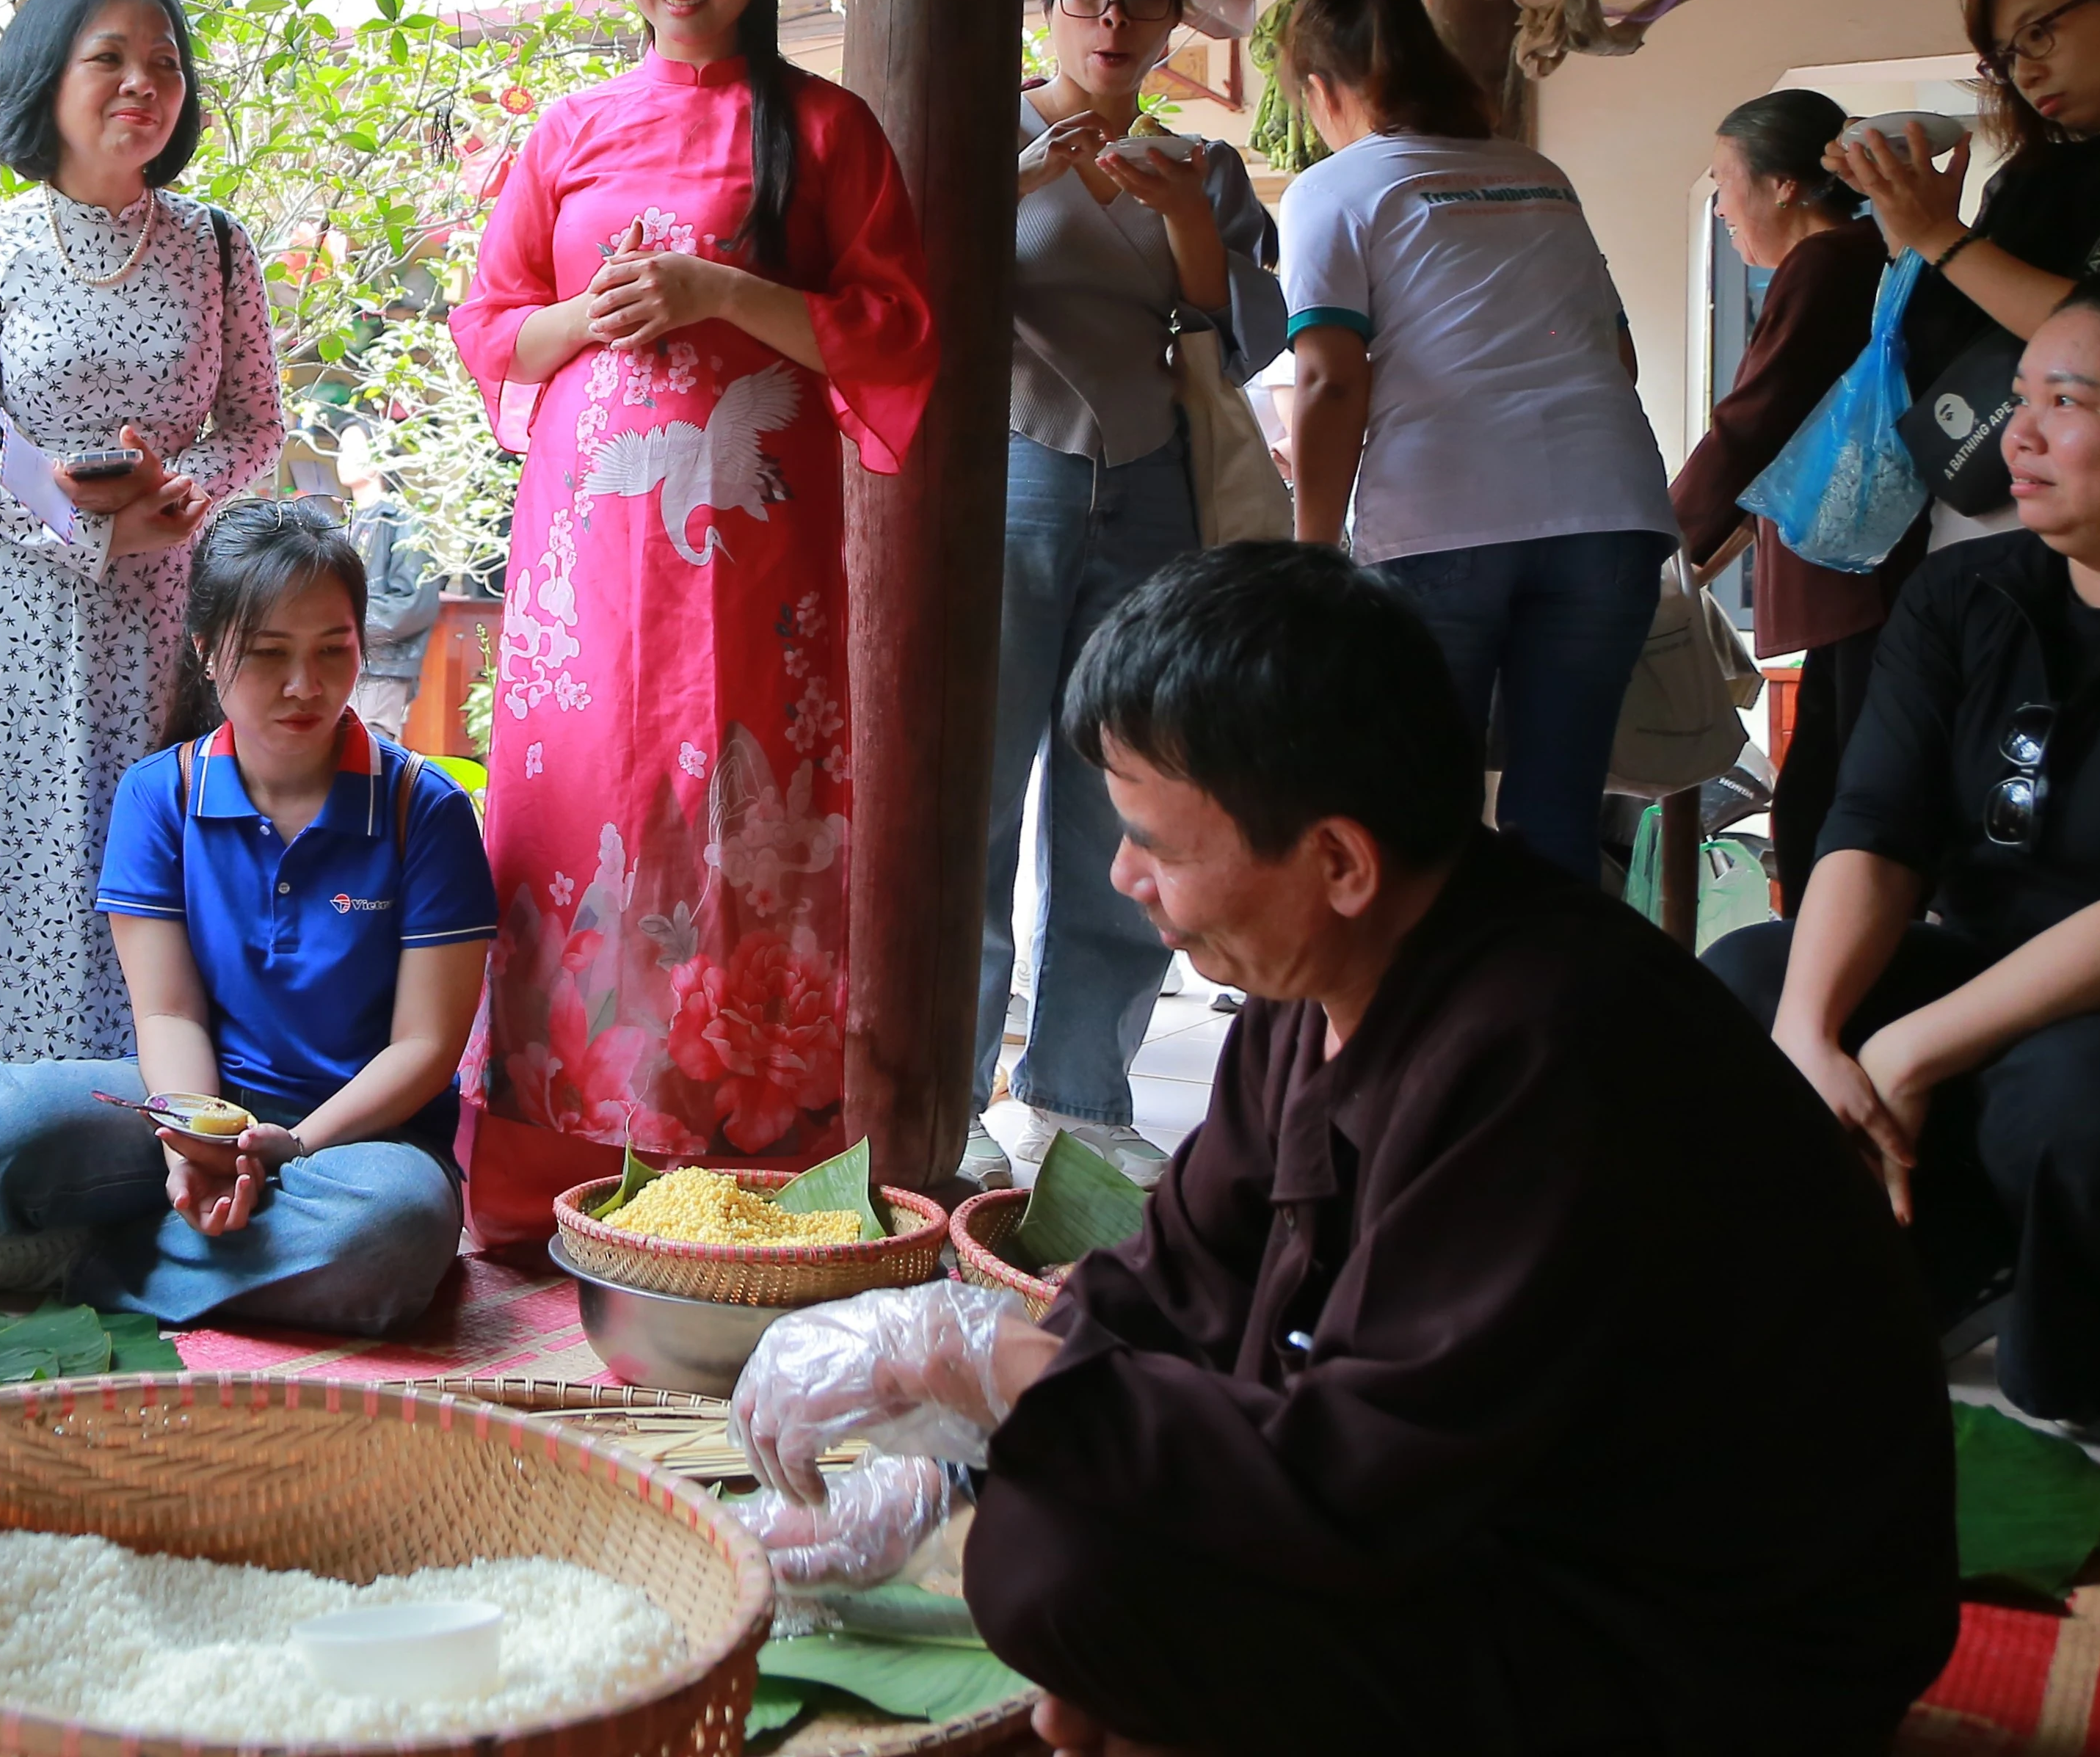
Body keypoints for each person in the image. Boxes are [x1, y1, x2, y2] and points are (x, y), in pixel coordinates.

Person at [730, 542, 1958, 1757]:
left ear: (1338, 860)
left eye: (1154, 839)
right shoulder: (1313, 994)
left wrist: (987, 1363)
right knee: (1061, 1502)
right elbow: (1176, 1285)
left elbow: (1357, 1476)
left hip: (1712, 1643)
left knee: (1063, 1565)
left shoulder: (1547, 1051)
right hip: (1493, 1516)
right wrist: (961, 1447)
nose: (1121, 875)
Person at [448, 0, 934, 1245]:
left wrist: (724, 296)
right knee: (574, 828)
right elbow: (486, 326)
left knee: (743, 824)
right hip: (585, 569)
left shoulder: (826, 131)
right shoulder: (565, 128)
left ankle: (750, 1191)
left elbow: (892, 328)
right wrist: (575, 321)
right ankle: (547, 1181)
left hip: (756, 559)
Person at [0, 501, 493, 1334]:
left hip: (359, 1144)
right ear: (204, 651)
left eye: (333, 649)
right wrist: (187, 1136)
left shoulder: (422, 810)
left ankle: (74, 1259)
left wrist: (291, 1145)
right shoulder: (161, 794)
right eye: (267, 654)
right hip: (196, 1101)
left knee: (393, 1229)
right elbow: (168, 1011)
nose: (305, 685)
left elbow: (425, 1047)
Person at [1705, 285, 2100, 1440]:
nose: (2022, 435)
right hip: (1984, 951)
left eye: (2067, 401)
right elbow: (1878, 825)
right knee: (1751, 984)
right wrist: (1811, 1033)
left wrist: (1906, 1044)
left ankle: (2092, 1357)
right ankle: (1909, 1276)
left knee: (2073, 1094)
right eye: (2018, 400)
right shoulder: (1966, 593)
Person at [0, 0, 286, 1090]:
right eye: (110, 59)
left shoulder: (217, 245)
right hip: (23, 619)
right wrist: (86, 534)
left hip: (177, 613)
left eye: (164, 64)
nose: (143, 84)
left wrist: (182, 497)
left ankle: (154, 1135)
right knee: (17, 867)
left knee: (160, 866)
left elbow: (258, 424)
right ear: (47, 78)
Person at [972, 0, 1287, 1192]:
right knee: (974, 804)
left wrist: (1190, 233)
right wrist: (1014, 184)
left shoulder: (1200, 166)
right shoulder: (979, 134)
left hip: (1154, 495)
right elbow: (902, 305)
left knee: (1128, 798)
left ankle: (1084, 1094)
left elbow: (1259, 340)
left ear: (1170, 18)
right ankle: (948, 1092)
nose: (1110, 18)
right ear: (1048, 6)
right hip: (1005, 488)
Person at [1276, 0, 1675, 882]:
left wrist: (1309, 551)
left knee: (1422, 806)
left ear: (1320, 89)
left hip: (1439, 517)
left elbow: (1329, 377)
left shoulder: (1333, 190)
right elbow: (1618, 360)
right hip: (1606, 508)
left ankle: (1436, 1016)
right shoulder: (1537, 175)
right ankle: (1552, 1021)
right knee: (1558, 809)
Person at [1671, 91, 1918, 903]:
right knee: (1825, 784)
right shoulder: (1859, 252)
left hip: (1859, 576)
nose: (1721, 205)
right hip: (1863, 569)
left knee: (1832, 800)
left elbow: (1753, 425)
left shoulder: (1825, 263)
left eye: (1723, 180)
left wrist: (1654, 547)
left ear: (1783, 185)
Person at [1839, 0, 2100, 550]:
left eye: (2038, 33)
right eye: (2004, 57)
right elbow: (1944, 346)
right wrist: (1903, 220)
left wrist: (1939, 237)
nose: (2024, 72)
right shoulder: (2041, 180)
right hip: (1986, 529)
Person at [330, 419, 439, 737]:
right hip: (342, 665)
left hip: (383, 668)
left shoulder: (405, 522)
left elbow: (415, 601)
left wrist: (345, 627)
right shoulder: (340, 527)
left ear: (380, 455)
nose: (344, 458)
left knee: (371, 761)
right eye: (341, 450)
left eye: (355, 449)